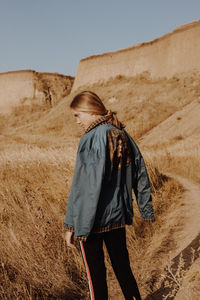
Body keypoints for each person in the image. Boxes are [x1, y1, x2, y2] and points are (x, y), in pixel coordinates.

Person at [64, 91, 154, 300]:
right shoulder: (121, 133)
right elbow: (140, 173)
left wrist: (72, 225)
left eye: (77, 115)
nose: (77, 121)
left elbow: (85, 187)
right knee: (124, 271)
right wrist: (146, 210)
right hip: (117, 218)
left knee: (96, 279)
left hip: (92, 221)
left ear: (90, 111)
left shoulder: (91, 138)